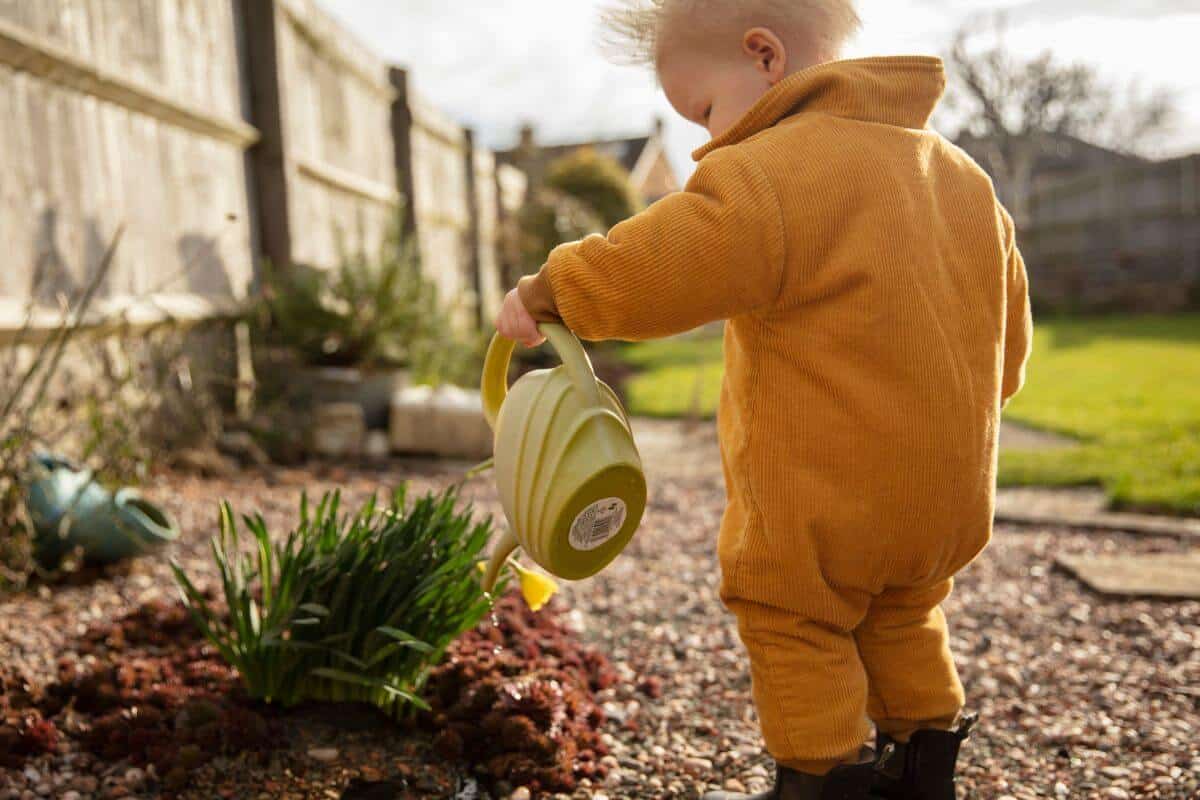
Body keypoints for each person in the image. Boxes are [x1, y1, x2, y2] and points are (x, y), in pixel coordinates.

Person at [494, 2, 1033, 798]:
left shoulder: (773, 171)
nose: (702, 140)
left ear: (764, 56)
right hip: (946, 495)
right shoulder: (965, 180)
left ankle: (823, 779)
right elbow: (1006, 340)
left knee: (792, 610)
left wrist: (553, 292)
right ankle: (924, 771)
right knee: (902, 611)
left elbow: (663, 263)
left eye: (705, 110)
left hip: (827, 491)